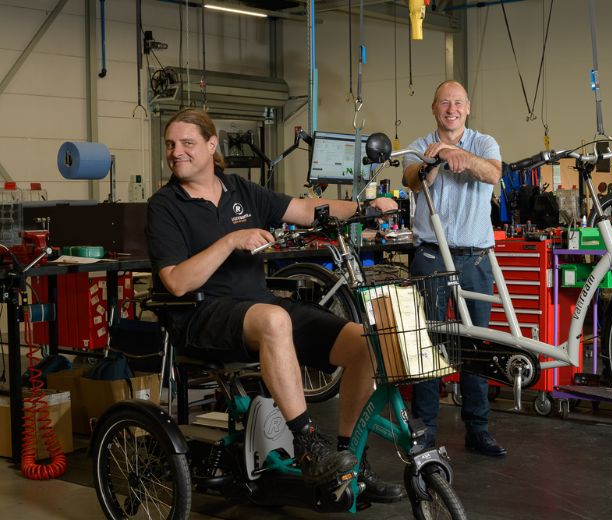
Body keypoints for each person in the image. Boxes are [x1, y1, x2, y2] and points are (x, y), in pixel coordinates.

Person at [145, 108, 403, 502]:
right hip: (201, 315)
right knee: (274, 319)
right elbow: (177, 282)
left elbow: (303, 209)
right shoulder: (165, 205)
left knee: (364, 343)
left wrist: (366, 209)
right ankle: (309, 446)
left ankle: (351, 463)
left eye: (187, 143)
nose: (176, 152)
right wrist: (231, 240)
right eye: (171, 145)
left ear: (211, 146)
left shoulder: (240, 190)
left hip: (257, 306)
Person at [402, 80, 506, 457]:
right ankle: (425, 433)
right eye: (445, 102)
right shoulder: (418, 145)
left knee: (476, 346)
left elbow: (492, 174)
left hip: (475, 258)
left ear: (468, 107)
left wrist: (455, 153)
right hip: (430, 256)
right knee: (427, 345)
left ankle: (478, 429)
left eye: (458, 102)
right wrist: (436, 160)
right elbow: (412, 179)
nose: (452, 108)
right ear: (434, 108)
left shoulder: (485, 142)